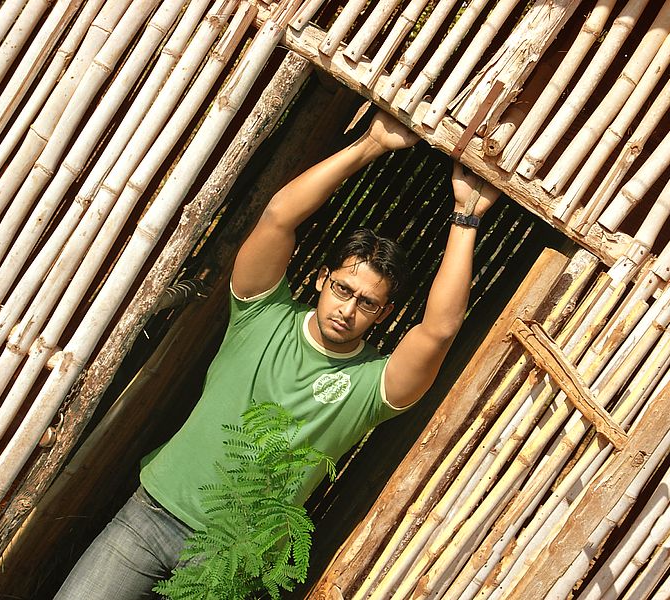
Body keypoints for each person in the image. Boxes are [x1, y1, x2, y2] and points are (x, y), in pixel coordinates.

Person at [54, 109, 500, 598]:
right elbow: (278, 216)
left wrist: (466, 218)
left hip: (231, 560)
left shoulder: (373, 385)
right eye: (343, 288)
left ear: (385, 314)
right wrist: (370, 143)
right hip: (150, 514)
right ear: (320, 280)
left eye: (366, 303)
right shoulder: (260, 314)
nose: (348, 308)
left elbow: (438, 331)